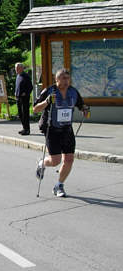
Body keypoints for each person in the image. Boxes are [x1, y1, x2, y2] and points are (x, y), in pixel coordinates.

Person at [33, 68, 89, 197]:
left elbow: (81, 105)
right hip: (52, 129)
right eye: (63, 78)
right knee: (55, 161)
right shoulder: (49, 91)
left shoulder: (73, 92)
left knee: (69, 159)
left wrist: (84, 109)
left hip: (67, 129)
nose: (66, 81)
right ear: (57, 79)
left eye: (68, 78)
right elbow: (35, 109)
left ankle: (59, 186)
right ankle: (42, 163)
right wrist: (47, 101)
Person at [15, 63, 33, 135]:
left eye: (18, 68)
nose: (16, 70)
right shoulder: (18, 76)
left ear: (22, 68)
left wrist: (25, 93)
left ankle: (27, 129)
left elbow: (30, 87)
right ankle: (24, 128)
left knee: (25, 113)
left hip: (24, 98)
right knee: (20, 114)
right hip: (18, 97)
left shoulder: (26, 76)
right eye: (16, 68)